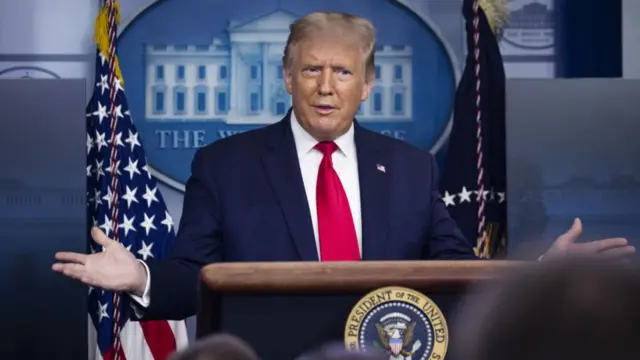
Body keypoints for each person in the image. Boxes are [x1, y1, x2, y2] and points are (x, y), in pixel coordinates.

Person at [52, 11, 634, 321]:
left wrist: (537, 273)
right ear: (287, 77)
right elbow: (192, 279)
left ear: (368, 83)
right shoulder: (226, 166)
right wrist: (141, 278)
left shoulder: (409, 169)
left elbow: (456, 275)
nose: (326, 88)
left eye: (343, 72)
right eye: (311, 70)